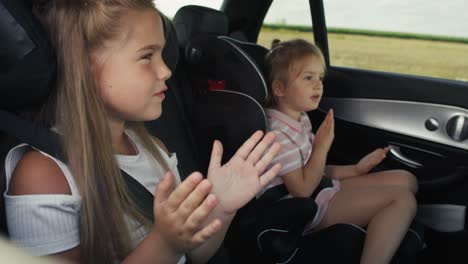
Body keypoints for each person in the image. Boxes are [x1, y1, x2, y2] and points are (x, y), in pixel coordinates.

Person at [3, 1, 282, 263]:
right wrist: (165, 243)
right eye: (147, 56)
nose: (165, 71)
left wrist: (221, 207)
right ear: (84, 68)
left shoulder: (154, 148)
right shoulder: (44, 176)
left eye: (162, 54)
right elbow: (173, 248)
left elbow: (194, 255)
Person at [262, 38, 418, 264]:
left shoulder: (299, 118)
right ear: (279, 88)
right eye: (308, 77)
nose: (318, 85)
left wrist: (356, 169)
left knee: (407, 180)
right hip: (302, 210)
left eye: (320, 77)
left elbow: (314, 171)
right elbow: (302, 190)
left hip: (320, 189)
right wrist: (321, 147)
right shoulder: (278, 134)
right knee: (402, 199)